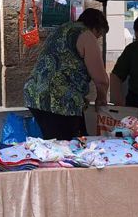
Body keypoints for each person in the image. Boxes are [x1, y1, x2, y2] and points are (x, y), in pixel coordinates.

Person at [23, 8, 110, 140]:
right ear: (96, 28)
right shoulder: (86, 35)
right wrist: (101, 99)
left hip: (35, 94)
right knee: (66, 146)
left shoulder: (61, 29)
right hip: (61, 100)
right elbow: (101, 79)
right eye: (99, 35)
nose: (97, 39)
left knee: (55, 142)